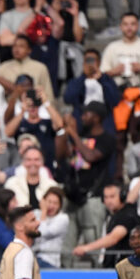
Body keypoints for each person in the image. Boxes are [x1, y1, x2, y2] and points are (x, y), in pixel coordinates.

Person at [56, 103, 116, 267]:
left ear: (96, 117)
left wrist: (74, 134)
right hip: (72, 196)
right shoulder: (80, 134)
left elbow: (90, 156)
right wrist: (63, 131)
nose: (82, 117)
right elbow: (60, 154)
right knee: (67, 242)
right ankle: (65, 273)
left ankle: (96, 275)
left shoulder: (107, 138)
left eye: (86, 114)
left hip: (93, 198)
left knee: (92, 241)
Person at [73, 183, 140, 268]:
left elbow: (113, 238)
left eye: (112, 196)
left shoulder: (127, 215)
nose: (109, 201)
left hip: (129, 268)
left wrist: (86, 248)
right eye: (106, 197)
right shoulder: (111, 216)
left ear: (122, 196)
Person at [63, 49, 120, 137]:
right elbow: (68, 99)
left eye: (93, 60)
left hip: (104, 122)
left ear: (99, 62)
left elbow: (115, 101)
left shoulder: (107, 80)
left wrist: (101, 79)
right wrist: (83, 77)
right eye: (87, 60)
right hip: (82, 122)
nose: (90, 63)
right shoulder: (76, 81)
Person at [0, 35, 55, 104]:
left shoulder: (40, 67)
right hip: (9, 107)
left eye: (21, 46)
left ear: (29, 50)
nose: (16, 49)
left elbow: (49, 95)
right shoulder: (3, 67)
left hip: (35, 108)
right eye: (14, 46)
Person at [35, 187, 69, 268]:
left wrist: (43, 212)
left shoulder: (63, 218)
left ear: (60, 205)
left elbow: (42, 233)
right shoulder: (35, 213)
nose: (51, 206)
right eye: (49, 202)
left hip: (50, 262)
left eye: (55, 203)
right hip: (33, 258)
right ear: (43, 201)